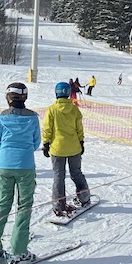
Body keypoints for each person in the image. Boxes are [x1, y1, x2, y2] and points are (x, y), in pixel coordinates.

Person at [0, 82, 42, 264]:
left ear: (8, 98)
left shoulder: (1, 117)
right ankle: (18, 250)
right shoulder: (33, 118)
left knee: (3, 204)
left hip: (4, 165)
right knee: (24, 207)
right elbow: (36, 142)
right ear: (25, 97)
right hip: (25, 165)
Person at [42, 81, 90, 216]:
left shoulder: (52, 109)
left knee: (59, 175)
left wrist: (46, 143)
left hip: (58, 149)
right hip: (74, 147)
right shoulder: (74, 109)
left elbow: (47, 128)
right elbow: (79, 128)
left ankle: (58, 204)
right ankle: (84, 197)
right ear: (69, 93)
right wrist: (81, 142)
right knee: (76, 173)